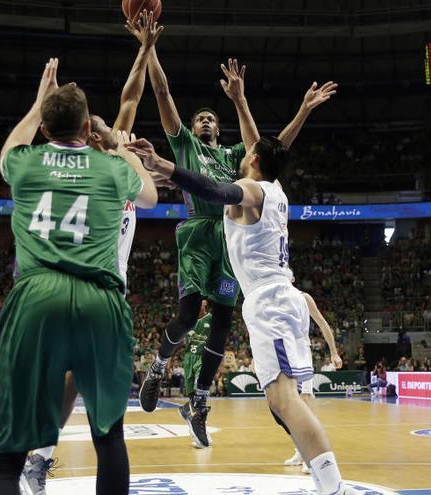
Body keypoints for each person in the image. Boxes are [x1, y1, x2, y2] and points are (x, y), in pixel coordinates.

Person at [129, 135, 362, 494]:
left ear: (253, 158)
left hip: (269, 300)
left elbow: (213, 189)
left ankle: (333, 487)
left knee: (286, 400)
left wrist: (163, 165)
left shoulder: (251, 190)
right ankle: (324, 481)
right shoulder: (277, 190)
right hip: (279, 298)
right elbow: (256, 155)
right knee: (280, 401)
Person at [138, 45, 337, 449]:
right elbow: (162, 94)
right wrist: (151, 48)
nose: (208, 121)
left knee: (225, 323)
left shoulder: (236, 158)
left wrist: (302, 112)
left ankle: (199, 399)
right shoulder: (186, 148)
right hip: (197, 233)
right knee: (190, 315)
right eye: (201, 119)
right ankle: (159, 365)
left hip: (230, 241)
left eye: (212, 117)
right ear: (193, 129)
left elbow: (272, 150)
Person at [0, 59, 157, 495]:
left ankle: (34, 458)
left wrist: (143, 51)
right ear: (89, 130)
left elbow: (131, 98)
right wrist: (120, 146)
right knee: (101, 424)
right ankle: (41, 457)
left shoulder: (33, 162)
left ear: (46, 128)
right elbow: (151, 192)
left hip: (44, 291)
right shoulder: (115, 169)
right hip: (100, 295)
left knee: (14, 438)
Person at [283, 290, 343, 474]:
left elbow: (323, 324)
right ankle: (300, 451)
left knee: (305, 402)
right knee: (289, 408)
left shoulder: (303, 297)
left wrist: (333, 351)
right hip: (284, 351)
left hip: (301, 351)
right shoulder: (275, 296)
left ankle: (312, 456)